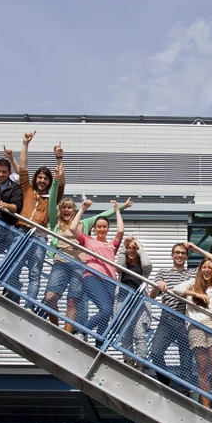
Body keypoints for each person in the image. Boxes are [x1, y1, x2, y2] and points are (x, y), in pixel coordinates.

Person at [43, 195, 114, 332]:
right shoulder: (56, 224)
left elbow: (103, 216)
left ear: (74, 210)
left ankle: (66, 334)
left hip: (80, 264)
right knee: (50, 297)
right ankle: (55, 329)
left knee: (72, 301)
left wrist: (120, 208)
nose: (66, 209)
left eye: (69, 207)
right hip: (61, 262)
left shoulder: (84, 224)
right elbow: (51, 204)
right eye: (64, 207)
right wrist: (57, 181)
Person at [11, 134, 64, 305]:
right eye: (40, 177)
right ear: (36, 179)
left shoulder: (52, 197)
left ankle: (29, 305)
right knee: (13, 266)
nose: (42, 181)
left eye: (46, 178)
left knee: (35, 271)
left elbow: (61, 181)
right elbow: (23, 167)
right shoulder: (27, 189)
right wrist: (25, 143)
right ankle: (13, 297)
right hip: (21, 230)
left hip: (39, 234)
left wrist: (59, 158)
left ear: (49, 182)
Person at [173, 247, 212, 411]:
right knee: (202, 367)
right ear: (200, 269)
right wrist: (195, 294)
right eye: (204, 267)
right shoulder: (193, 283)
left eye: (210, 268)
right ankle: (205, 403)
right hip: (195, 326)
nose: (207, 270)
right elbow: (176, 289)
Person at [70, 198, 127, 338]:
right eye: (99, 226)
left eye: (104, 226)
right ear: (94, 229)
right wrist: (82, 209)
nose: (102, 229)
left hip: (110, 281)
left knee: (106, 316)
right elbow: (72, 228)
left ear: (107, 229)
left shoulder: (112, 244)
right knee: (106, 310)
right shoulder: (88, 240)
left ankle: (99, 345)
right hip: (92, 277)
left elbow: (121, 231)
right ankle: (81, 330)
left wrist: (117, 211)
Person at [149, 242, 198, 388]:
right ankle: (166, 385)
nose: (180, 255)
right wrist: (158, 285)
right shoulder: (163, 273)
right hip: (167, 318)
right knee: (156, 352)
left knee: (186, 359)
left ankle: (185, 393)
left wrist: (195, 248)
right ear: (172, 255)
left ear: (187, 256)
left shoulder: (191, 273)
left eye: (183, 253)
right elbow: (152, 296)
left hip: (186, 318)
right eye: (177, 252)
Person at [115, 233, 153, 361]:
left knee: (140, 334)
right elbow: (118, 266)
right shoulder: (124, 264)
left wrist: (140, 248)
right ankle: (128, 360)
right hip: (123, 299)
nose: (132, 251)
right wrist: (123, 247)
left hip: (140, 301)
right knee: (126, 333)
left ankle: (141, 362)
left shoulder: (143, 267)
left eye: (134, 248)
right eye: (129, 248)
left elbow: (147, 265)